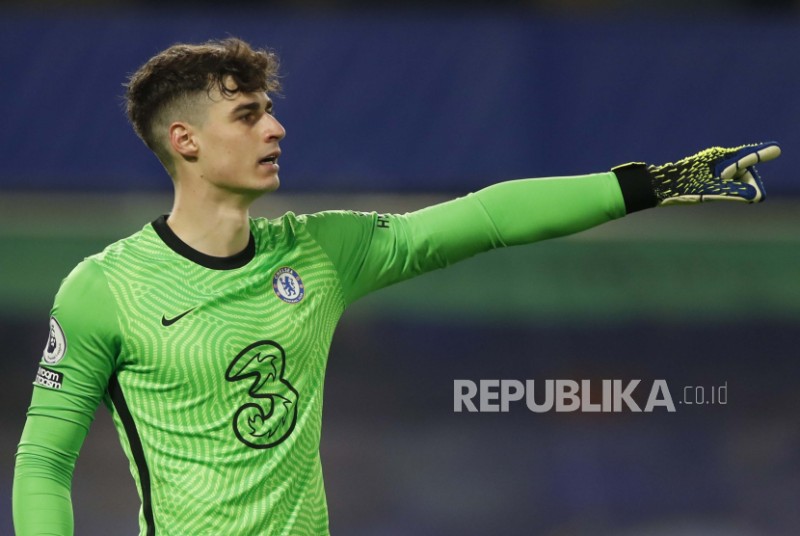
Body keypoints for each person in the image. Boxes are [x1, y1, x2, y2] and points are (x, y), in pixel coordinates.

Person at [12, 37, 780, 536]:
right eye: (247, 116)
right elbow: (44, 461)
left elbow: (485, 218)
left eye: (270, 112)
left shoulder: (321, 251)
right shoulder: (104, 289)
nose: (275, 129)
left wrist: (652, 184)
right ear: (185, 140)